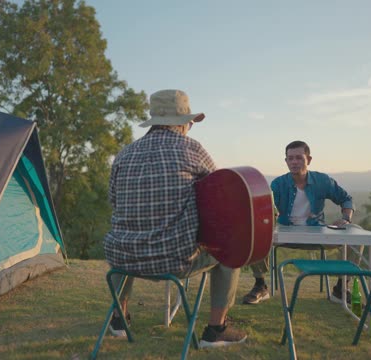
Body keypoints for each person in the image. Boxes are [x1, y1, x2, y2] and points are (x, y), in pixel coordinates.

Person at [104, 89, 247, 348]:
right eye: (190, 122)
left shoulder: (124, 154)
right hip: (173, 261)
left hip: (123, 260)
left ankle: (119, 319)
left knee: (122, 241)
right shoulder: (191, 148)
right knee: (230, 250)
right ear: (183, 123)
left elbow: (113, 201)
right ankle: (216, 331)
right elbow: (220, 197)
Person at [242, 140, 355, 305]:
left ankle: (341, 288)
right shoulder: (278, 184)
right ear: (286, 161)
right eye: (290, 158)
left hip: (317, 233)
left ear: (308, 160)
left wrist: (345, 218)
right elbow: (268, 210)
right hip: (286, 232)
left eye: (299, 158)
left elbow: (346, 199)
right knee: (255, 235)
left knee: (355, 233)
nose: (294, 162)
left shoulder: (322, 180)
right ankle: (260, 285)